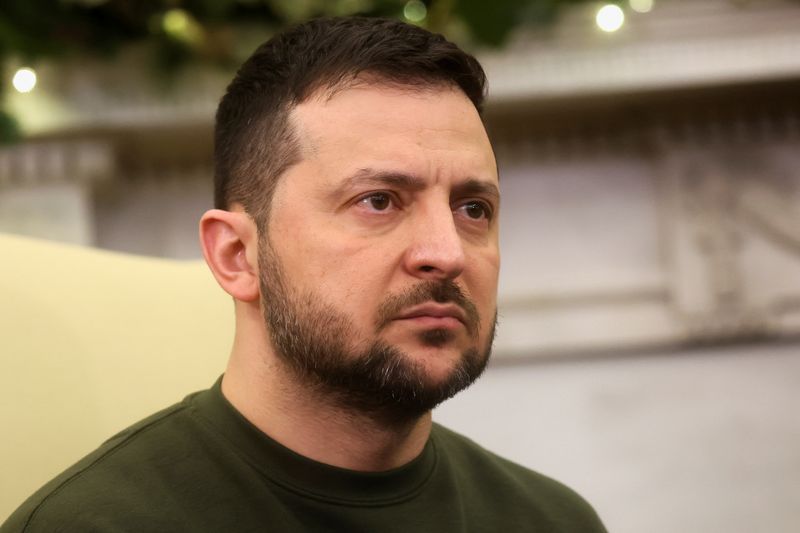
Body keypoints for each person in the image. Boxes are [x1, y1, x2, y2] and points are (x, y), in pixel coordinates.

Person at [2, 17, 606, 532]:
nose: (446, 253)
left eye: (473, 209)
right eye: (379, 201)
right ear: (238, 255)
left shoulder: (553, 520)